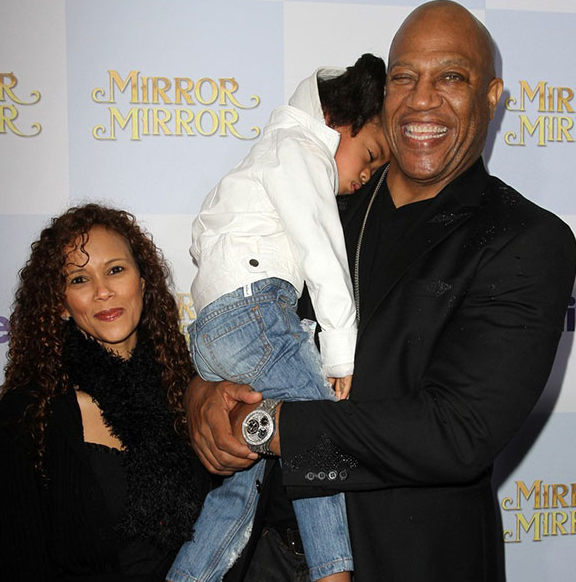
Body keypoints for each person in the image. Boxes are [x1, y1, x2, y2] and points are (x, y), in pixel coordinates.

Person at [184, 2, 576, 582]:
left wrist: (264, 425)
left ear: (492, 98)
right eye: (404, 77)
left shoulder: (526, 239)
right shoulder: (322, 203)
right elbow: (248, 317)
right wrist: (202, 396)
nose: (422, 99)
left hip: (404, 561)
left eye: (451, 77)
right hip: (260, 553)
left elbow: (453, 432)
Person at [168, 54, 388, 582]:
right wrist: (340, 350)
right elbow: (322, 252)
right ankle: (333, 572)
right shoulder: (298, 150)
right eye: (371, 155)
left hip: (221, 331)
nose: (366, 175)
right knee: (316, 434)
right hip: (255, 314)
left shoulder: (269, 155)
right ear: (338, 122)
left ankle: (191, 574)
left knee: (247, 475)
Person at [0, 204, 209, 581]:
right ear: (61, 304)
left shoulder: (187, 392)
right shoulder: (30, 413)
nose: (102, 291)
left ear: (142, 283)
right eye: (79, 279)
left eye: (115, 270)